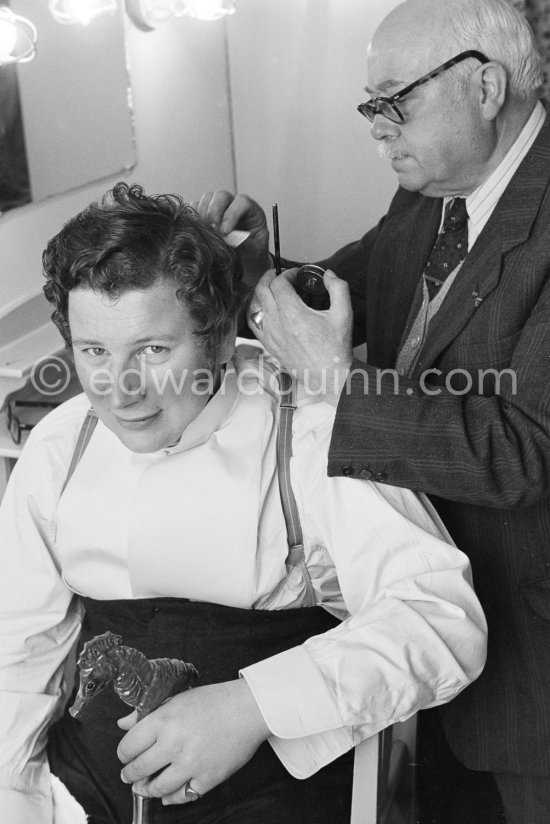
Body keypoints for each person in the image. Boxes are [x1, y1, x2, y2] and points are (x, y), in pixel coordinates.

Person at [0, 182, 486, 824]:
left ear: (220, 339)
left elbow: (440, 614)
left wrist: (253, 706)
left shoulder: (311, 433)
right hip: (80, 796)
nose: (120, 391)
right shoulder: (62, 446)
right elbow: (19, 649)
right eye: (94, 352)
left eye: (152, 350)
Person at [192, 0, 550, 821]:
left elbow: (526, 450)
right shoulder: (432, 190)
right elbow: (351, 282)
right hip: (424, 631)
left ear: (485, 85)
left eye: (395, 101)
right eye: (370, 104)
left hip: (530, 659)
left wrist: (337, 384)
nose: (376, 126)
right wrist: (254, 264)